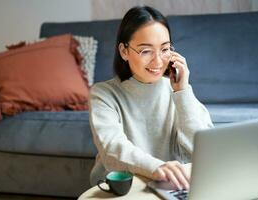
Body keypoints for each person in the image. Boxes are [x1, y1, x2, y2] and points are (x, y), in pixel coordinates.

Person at [89, 6, 213, 190]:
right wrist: (157, 167)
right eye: (146, 51)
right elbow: (112, 148)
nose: (158, 61)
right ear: (124, 51)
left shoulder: (178, 90)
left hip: (171, 186)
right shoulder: (103, 94)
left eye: (164, 49)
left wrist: (183, 92)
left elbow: (204, 151)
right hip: (123, 189)